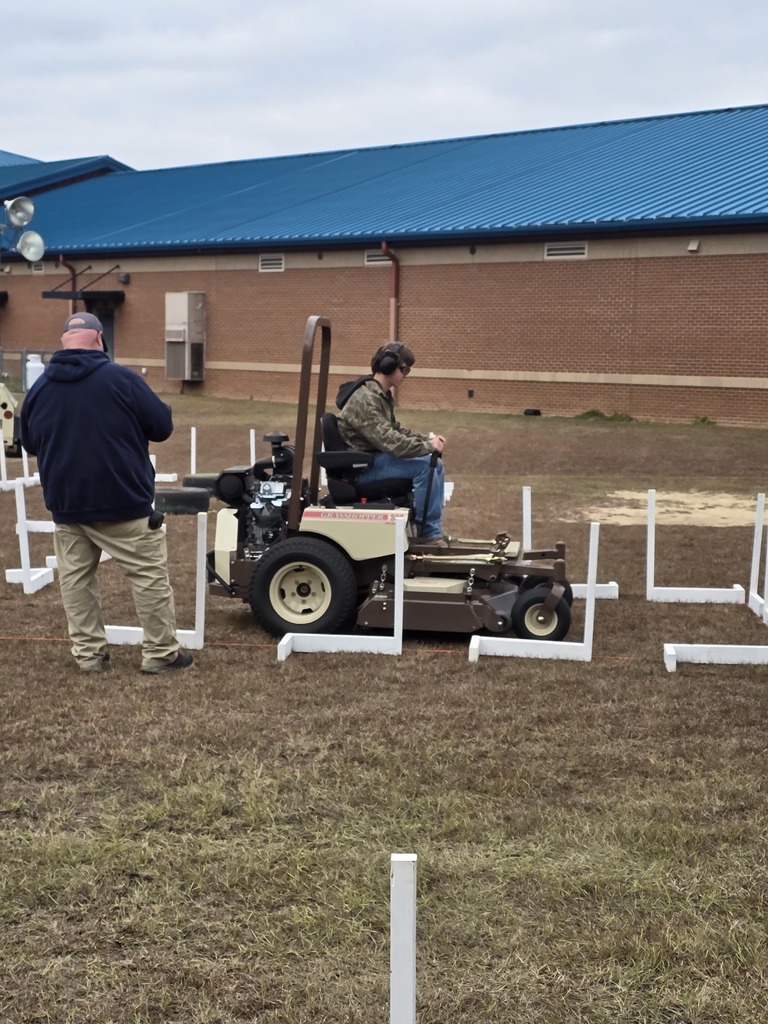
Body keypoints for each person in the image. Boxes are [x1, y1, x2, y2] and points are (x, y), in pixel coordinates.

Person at [19, 311, 193, 674]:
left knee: (75, 580)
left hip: (67, 503)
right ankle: (161, 653)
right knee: (147, 577)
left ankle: (89, 656)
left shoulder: (39, 389)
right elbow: (161, 426)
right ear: (100, 339)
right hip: (123, 500)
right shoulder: (122, 379)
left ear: (64, 341)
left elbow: (30, 442)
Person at [336, 341, 448, 544]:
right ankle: (428, 535)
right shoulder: (365, 399)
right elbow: (389, 441)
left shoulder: (379, 395)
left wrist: (426, 439)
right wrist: (427, 446)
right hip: (363, 469)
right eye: (404, 369)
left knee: (435, 464)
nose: (406, 374)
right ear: (387, 366)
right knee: (426, 467)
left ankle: (431, 530)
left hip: (374, 460)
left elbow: (395, 430)